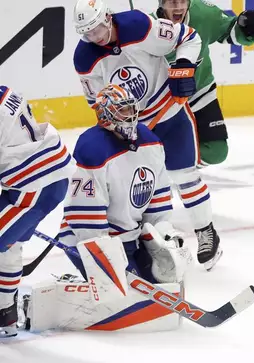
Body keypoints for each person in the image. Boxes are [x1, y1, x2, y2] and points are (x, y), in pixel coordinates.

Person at [20, 84, 192, 333]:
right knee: (124, 297)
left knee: (165, 281)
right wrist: (104, 256)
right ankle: (53, 299)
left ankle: (108, 284)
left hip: (131, 237)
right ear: (105, 115)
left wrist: (161, 235)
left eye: (132, 108)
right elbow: (83, 214)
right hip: (88, 239)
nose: (131, 115)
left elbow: (159, 196)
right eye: (123, 111)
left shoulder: (151, 143)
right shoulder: (92, 148)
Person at [72, 0, 221, 271]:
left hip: (170, 114)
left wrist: (183, 67)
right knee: (139, 188)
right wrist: (114, 123)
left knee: (184, 176)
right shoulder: (84, 57)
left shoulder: (138, 25)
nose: (93, 37)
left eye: (96, 29)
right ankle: (143, 242)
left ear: (107, 18)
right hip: (132, 126)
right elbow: (96, 101)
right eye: (87, 33)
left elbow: (188, 37)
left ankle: (205, 231)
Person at [153, 0, 254, 167]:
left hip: (199, 92)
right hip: (159, 102)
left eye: (183, 1)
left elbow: (228, 30)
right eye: (172, 1)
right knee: (145, 150)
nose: (178, 7)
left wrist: (246, 26)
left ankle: (172, 171)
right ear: (161, 4)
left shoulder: (203, 14)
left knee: (216, 151)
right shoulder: (146, 27)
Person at [0, 85, 74, 337]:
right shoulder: (5, 91)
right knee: (9, 245)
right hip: (43, 177)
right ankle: (5, 313)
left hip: (33, 186)